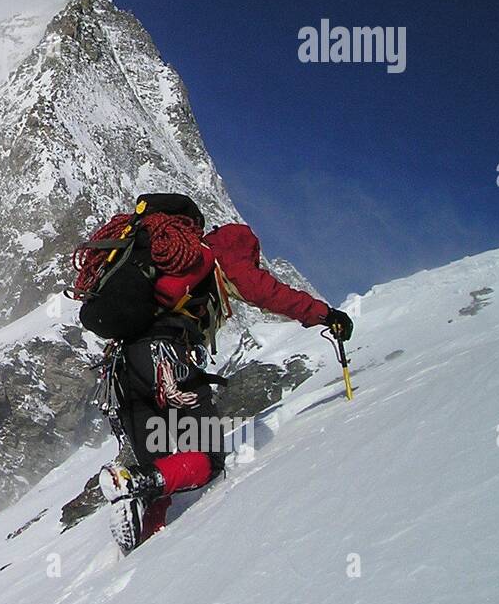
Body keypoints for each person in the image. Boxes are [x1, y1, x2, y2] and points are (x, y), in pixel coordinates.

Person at [71, 193, 354, 551]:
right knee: (206, 458)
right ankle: (133, 484)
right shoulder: (216, 249)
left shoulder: (146, 256)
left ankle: (145, 548)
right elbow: (267, 293)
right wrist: (326, 315)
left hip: (122, 372)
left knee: (159, 467)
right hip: (165, 361)